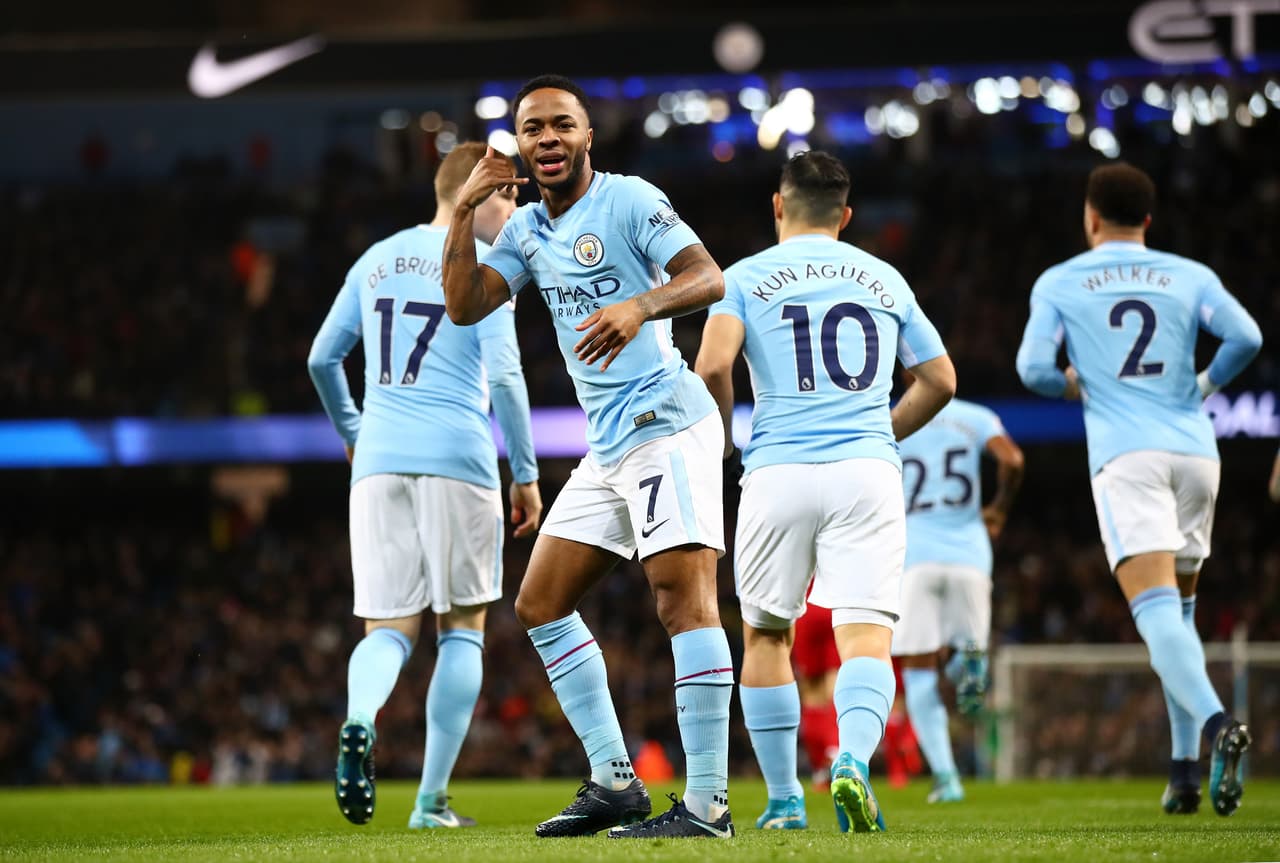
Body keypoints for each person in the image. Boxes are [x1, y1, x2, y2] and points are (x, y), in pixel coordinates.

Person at [441, 75, 735, 840]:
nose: (547, 138)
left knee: (682, 599)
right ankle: (615, 780)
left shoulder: (631, 199)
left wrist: (640, 304)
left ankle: (708, 805)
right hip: (608, 445)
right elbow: (466, 305)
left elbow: (709, 277)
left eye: (561, 125)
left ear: (587, 136)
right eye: (533, 128)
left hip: (666, 422)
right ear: (520, 145)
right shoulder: (527, 231)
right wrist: (464, 209)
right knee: (539, 602)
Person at [695, 150, 956, 833]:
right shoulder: (885, 278)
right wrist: (884, 431)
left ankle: (784, 800)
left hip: (777, 470)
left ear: (778, 207)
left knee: (766, 634)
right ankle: (854, 763)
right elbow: (941, 380)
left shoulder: (743, 277)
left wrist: (720, 442)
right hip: (866, 471)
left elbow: (714, 365)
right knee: (866, 635)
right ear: (845, 216)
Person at [307, 141, 542, 829]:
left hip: (379, 459)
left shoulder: (376, 257)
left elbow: (323, 357)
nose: (514, 207)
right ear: (480, 193)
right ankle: (431, 802)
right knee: (462, 629)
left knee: (388, 628)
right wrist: (525, 473)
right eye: (509, 194)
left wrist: (354, 434)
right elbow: (504, 378)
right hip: (457, 456)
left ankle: (358, 718)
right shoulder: (485, 266)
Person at [1015, 161, 1262, 816]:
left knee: (1154, 614)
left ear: (1091, 217)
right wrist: (1205, 385)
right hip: (1196, 453)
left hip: (1129, 457)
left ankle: (1215, 728)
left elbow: (1032, 367)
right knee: (1177, 617)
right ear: (1148, 221)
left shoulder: (1063, 280)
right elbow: (1248, 336)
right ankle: (1183, 773)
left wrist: (1074, 383)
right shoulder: (1189, 275)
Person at [892, 391, 1024, 803]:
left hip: (915, 556)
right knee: (970, 658)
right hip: (970, 554)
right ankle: (968, 667)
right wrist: (999, 509)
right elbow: (1013, 460)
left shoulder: (891, 419)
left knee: (917, 669)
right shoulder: (975, 416)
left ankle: (947, 778)